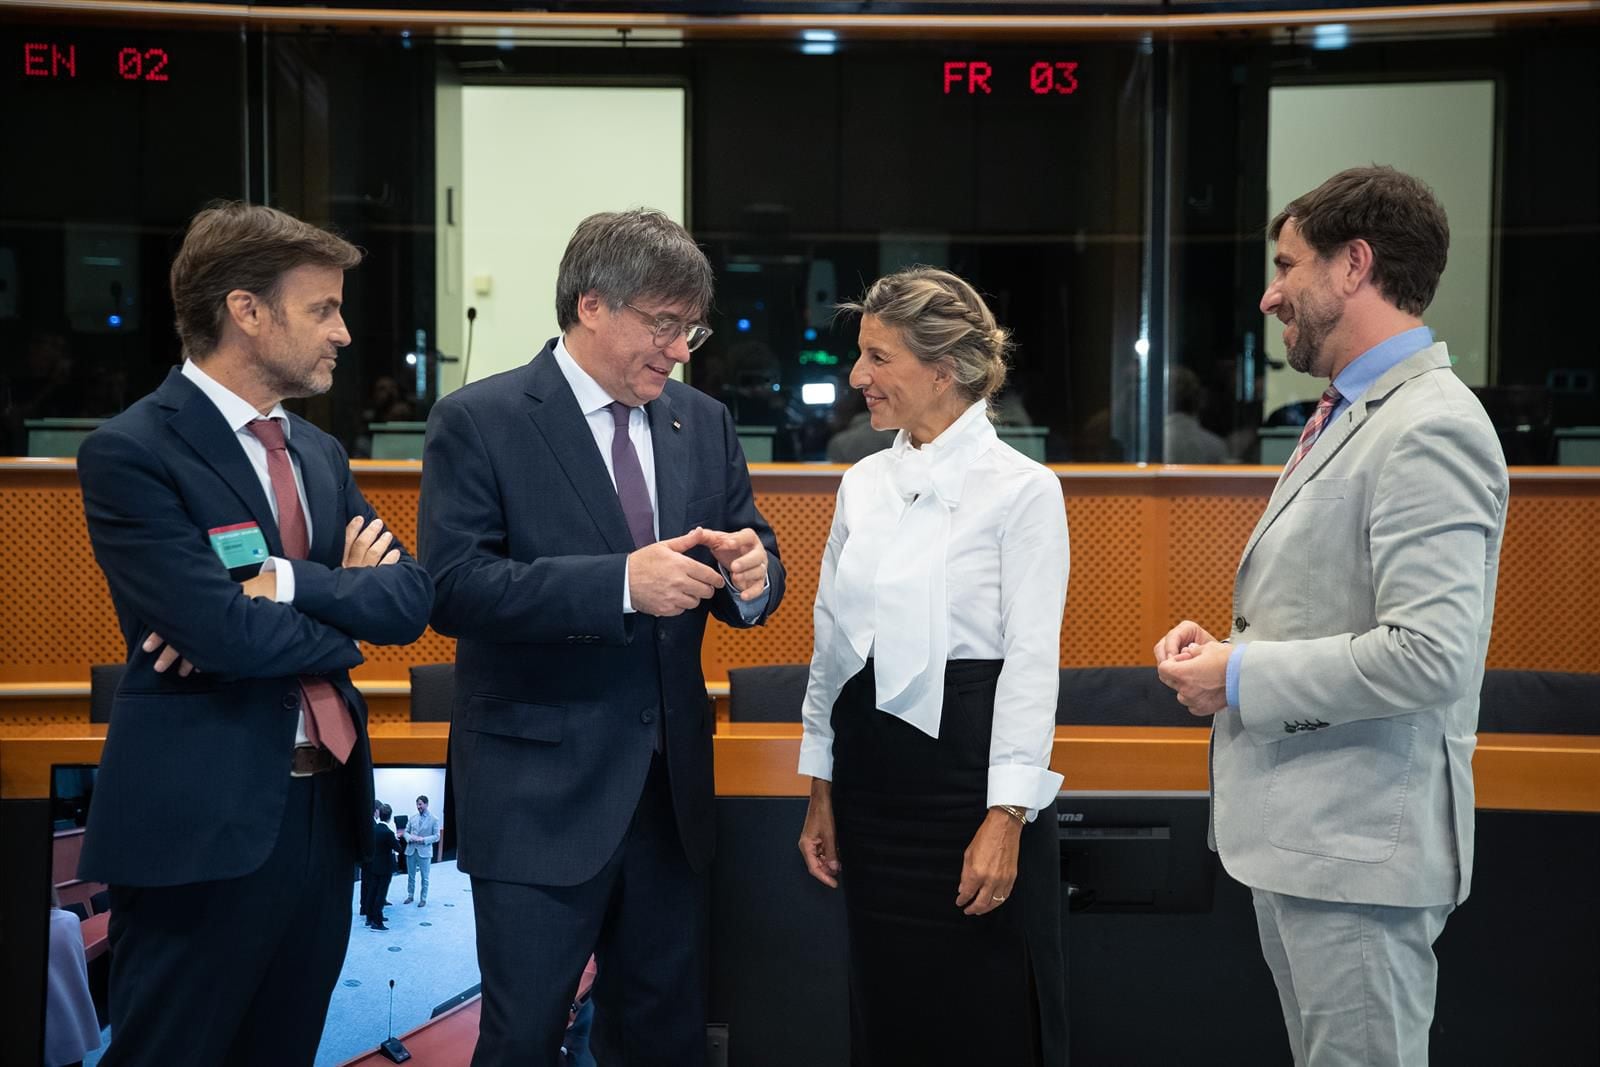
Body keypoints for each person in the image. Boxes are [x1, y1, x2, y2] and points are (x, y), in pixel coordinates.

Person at [1154, 166, 1509, 1066]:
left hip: (1358, 854)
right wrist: (1235, 650)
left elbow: (1430, 655)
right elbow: (1340, 608)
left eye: (1288, 265)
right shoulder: (1353, 411)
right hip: (1313, 845)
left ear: (1355, 265)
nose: (1272, 292)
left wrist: (1240, 676)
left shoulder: (1430, 424)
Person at [419, 208, 786, 1066]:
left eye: (689, 328)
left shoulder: (703, 419)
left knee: (662, 1037)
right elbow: (453, 588)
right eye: (663, 324)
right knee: (522, 1037)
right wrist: (620, 583)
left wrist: (754, 574)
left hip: (670, 800)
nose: (680, 348)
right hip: (536, 795)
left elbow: (749, 546)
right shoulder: (483, 418)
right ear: (592, 305)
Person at [74, 202, 434, 1065]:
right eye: (323, 309)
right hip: (201, 822)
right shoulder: (132, 451)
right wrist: (340, 603)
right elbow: (225, 634)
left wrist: (286, 587)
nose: (344, 332)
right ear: (246, 310)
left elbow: (411, 600)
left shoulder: (319, 453)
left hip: (324, 813)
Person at [796, 267, 1069, 1066]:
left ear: (942, 370)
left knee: (981, 1017)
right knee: (886, 1016)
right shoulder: (862, 484)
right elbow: (831, 644)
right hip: (872, 787)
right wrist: (822, 786)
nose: (858, 378)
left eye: (878, 358)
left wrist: (1007, 816)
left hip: (968, 785)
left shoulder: (1024, 491)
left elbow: (1031, 660)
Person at [363, 803, 402, 930]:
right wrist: (397, 839)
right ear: (390, 817)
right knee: (381, 894)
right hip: (385, 868)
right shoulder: (388, 833)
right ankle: (377, 922)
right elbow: (399, 849)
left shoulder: (373, 829)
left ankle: (369, 918)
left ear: (380, 815)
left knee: (372, 891)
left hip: (374, 866)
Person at [400, 793, 440, 905]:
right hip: (411, 850)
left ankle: (423, 899)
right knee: (411, 876)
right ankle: (410, 895)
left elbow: (437, 836)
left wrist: (423, 839)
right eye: (417, 804)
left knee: (425, 877)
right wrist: (410, 838)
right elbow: (405, 832)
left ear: (426, 804)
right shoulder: (412, 818)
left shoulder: (434, 819)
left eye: (420, 804)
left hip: (424, 851)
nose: (418, 807)